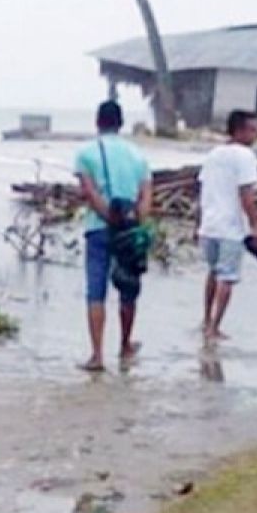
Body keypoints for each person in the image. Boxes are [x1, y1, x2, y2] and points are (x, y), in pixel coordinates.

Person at [73, 100, 152, 372]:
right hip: (130, 231)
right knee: (128, 289)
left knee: (96, 291)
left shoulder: (86, 153)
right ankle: (125, 344)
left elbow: (90, 193)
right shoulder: (138, 155)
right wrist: (135, 227)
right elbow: (145, 199)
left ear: (98, 121)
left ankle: (97, 355)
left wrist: (108, 216)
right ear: (121, 123)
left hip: (98, 227)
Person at [194, 110, 257, 342]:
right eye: (252, 129)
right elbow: (246, 194)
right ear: (240, 131)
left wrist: (198, 223)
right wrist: (255, 224)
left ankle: (205, 319)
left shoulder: (213, 154)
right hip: (230, 227)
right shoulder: (245, 156)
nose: (256, 133)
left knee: (213, 272)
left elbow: (202, 190)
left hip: (210, 224)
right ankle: (215, 326)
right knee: (227, 277)